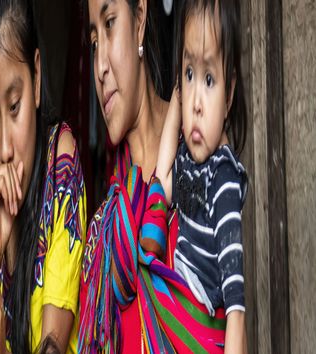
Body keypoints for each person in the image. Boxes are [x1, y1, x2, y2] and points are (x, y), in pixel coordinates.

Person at [79, 0, 230, 353]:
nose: (99, 67)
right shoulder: (104, 238)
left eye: (110, 23)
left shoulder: (204, 160)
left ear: (140, 20)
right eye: (93, 41)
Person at [0, 1, 87, 353]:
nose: (4, 149)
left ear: (36, 73)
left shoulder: (60, 161)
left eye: (14, 107)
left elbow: (52, 346)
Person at [156, 0, 248, 352]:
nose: (195, 101)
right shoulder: (186, 160)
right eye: (188, 74)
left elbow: (236, 305)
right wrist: (177, 102)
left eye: (209, 79)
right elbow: (160, 183)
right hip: (174, 312)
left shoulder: (222, 177)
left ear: (229, 95)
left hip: (195, 326)